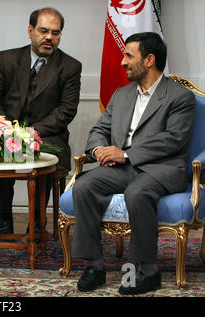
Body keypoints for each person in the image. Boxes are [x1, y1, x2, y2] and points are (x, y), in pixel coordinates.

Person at [72, 32, 196, 295]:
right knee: (83, 185)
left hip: (161, 168)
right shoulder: (121, 94)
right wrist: (98, 149)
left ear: (149, 59)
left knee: (137, 192)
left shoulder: (179, 97)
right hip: (123, 169)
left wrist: (126, 154)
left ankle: (148, 271)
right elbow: (100, 128)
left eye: (129, 55)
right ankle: (95, 266)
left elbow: (173, 140)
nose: (122, 62)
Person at [0, 7, 82, 234]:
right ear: (30, 30)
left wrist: (29, 133)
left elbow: (66, 111)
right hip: (7, 131)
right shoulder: (7, 59)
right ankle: (4, 218)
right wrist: (3, 125)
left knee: (45, 159)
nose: (49, 37)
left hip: (48, 134)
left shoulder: (70, 66)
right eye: (44, 31)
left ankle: (37, 221)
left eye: (55, 33)